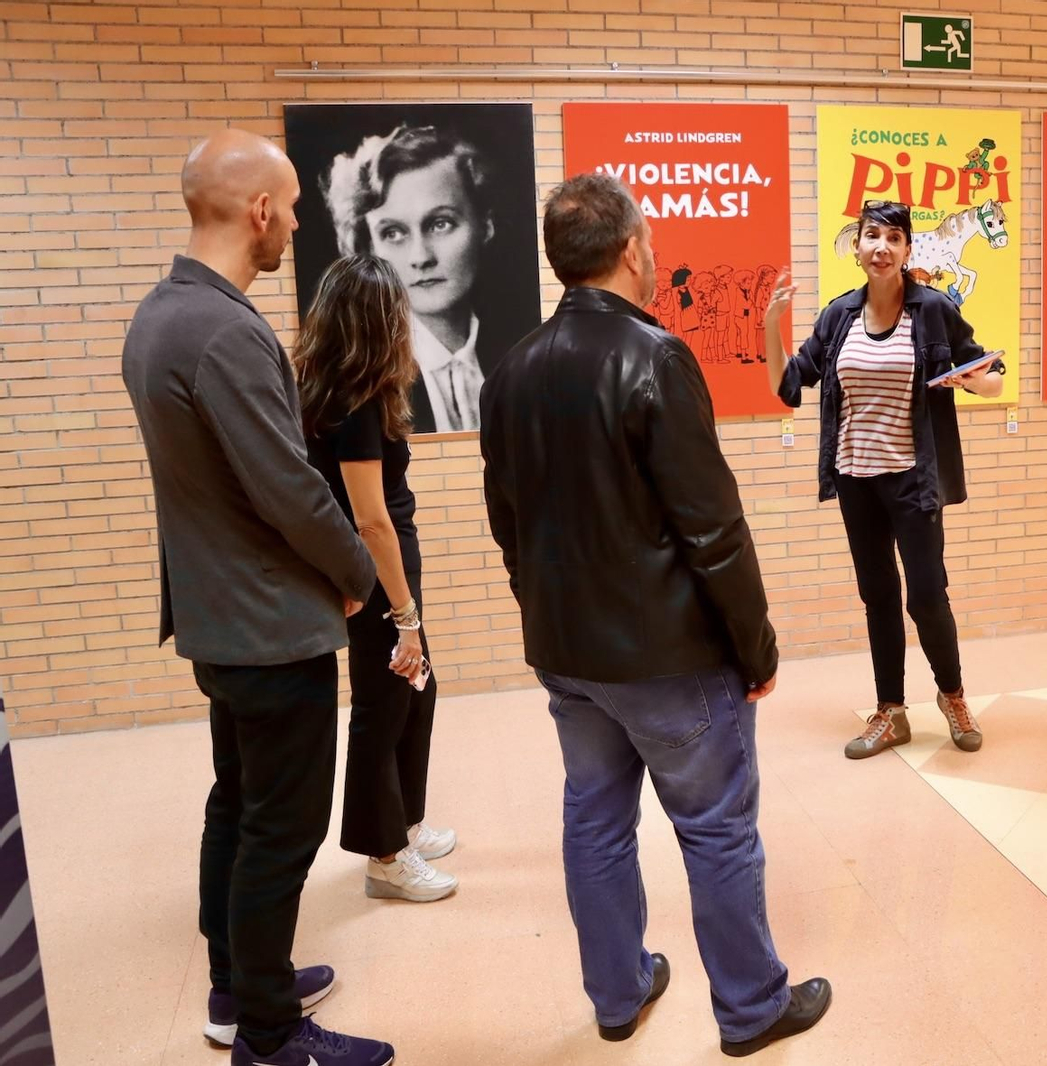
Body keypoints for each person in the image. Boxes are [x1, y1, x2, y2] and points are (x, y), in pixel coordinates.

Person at [479, 172, 831, 1057]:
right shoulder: (658, 356)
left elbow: (508, 524)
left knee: (593, 822)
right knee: (716, 831)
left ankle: (618, 992)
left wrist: (545, 614)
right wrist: (756, 647)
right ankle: (752, 1009)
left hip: (568, 656)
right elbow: (712, 530)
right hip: (671, 659)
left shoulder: (511, 369)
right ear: (634, 250)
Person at [120, 130, 391, 1066]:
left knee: (236, 807)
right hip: (270, 628)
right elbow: (289, 490)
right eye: (294, 210)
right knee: (281, 829)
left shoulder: (158, 316)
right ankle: (270, 1038)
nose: (297, 229)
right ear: (260, 212)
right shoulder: (226, 328)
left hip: (215, 618)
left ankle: (241, 987)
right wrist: (361, 579)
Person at [764, 199, 1004, 760]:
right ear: (858, 246)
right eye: (872, 235)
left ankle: (952, 696)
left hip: (914, 481)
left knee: (926, 596)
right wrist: (770, 326)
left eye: (894, 238)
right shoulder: (837, 316)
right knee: (878, 598)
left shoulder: (934, 310)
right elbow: (787, 387)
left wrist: (968, 383)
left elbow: (988, 376)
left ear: (907, 250)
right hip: (856, 481)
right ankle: (890, 711)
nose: (882, 247)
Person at [293, 254, 458, 905]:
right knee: (384, 706)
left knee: (416, 691)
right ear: (377, 319)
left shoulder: (328, 386)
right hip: (377, 573)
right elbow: (371, 520)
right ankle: (385, 857)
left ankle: (404, 824)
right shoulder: (356, 401)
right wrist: (405, 616)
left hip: (382, 573)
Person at [321, 124, 510, 433]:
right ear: (368, 247)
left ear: (485, 224)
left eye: (441, 223)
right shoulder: (361, 378)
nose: (420, 257)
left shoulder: (516, 354)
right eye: (393, 233)